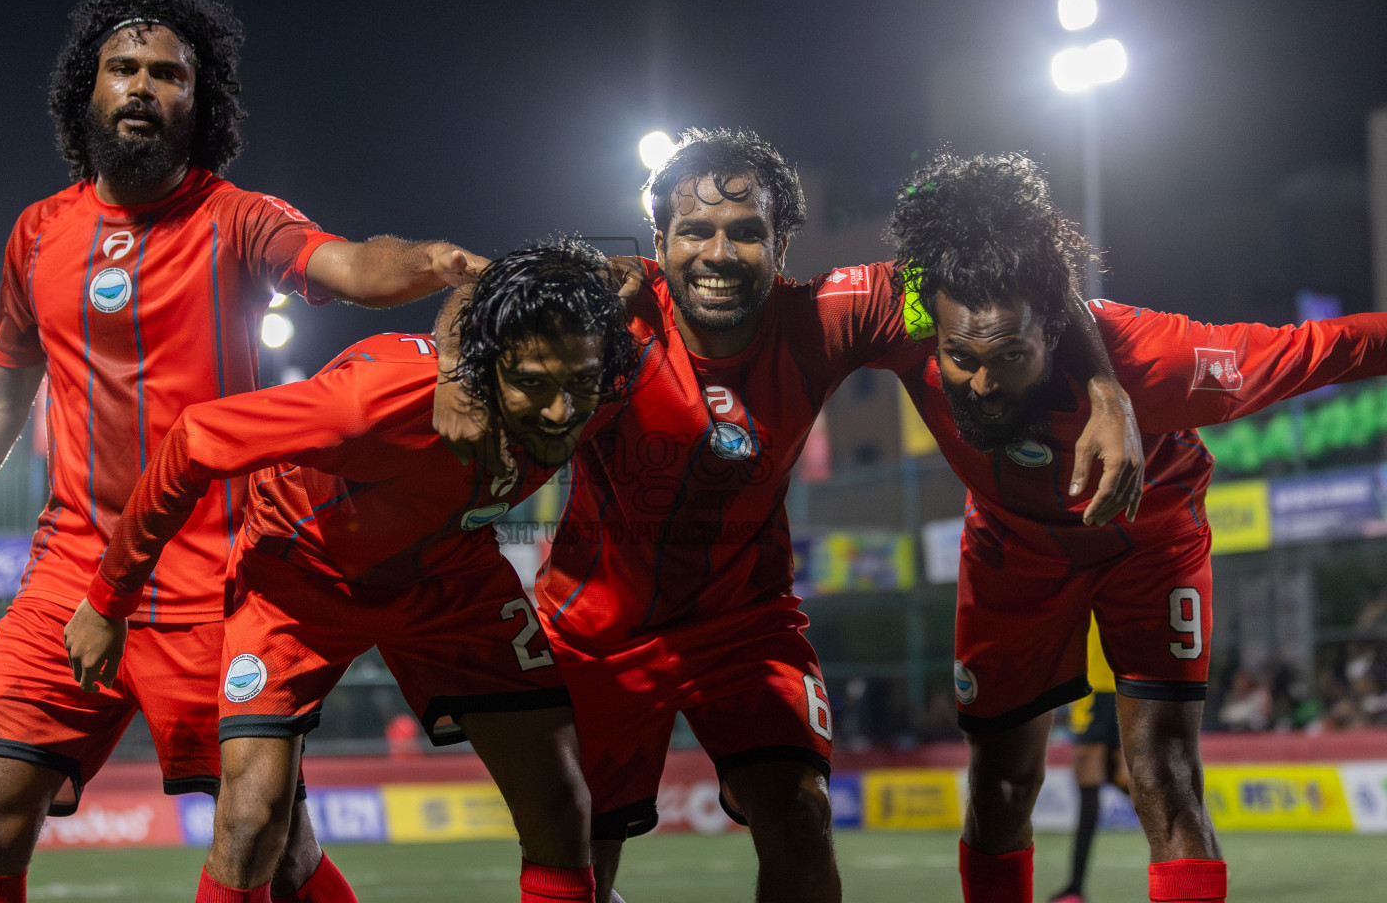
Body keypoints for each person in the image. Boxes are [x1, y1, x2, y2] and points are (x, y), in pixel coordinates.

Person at [0, 0, 481, 903]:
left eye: (171, 76)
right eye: (127, 68)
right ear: (89, 88)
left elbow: (353, 265)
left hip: (218, 574)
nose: (145, 88)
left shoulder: (237, 220)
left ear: (199, 104)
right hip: (72, 565)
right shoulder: (36, 234)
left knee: (272, 848)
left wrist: (440, 263)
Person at [437, 129, 1145, 903]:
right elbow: (481, 289)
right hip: (594, 634)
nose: (718, 252)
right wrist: (453, 377)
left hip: (747, 627)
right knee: (578, 857)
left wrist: (1108, 392)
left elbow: (1012, 279)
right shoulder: (611, 307)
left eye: (746, 232)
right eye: (694, 231)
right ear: (659, 243)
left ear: (782, 247)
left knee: (801, 816)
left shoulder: (830, 315)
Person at [65, 239, 636, 903]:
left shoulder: (591, 364)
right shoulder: (372, 404)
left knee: (563, 803)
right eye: (533, 384)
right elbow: (192, 441)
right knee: (252, 823)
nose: (560, 412)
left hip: (449, 576)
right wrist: (108, 600)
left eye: (580, 386)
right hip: (301, 579)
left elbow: (541, 279)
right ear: (489, 363)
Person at [886, 149, 1387, 903]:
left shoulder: (1156, 361)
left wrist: (1108, 385)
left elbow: (1315, 348)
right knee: (998, 785)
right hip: (1011, 551)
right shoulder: (891, 319)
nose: (983, 384)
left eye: (1012, 355)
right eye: (962, 357)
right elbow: (774, 311)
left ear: (1053, 329)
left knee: (1165, 773)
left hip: (1149, 543)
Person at [1048, 616, 1129, 903]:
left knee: (1092, 776)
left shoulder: (1082, 572)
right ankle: (1194, 847)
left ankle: (1075, 888)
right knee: (1120, 776)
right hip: (1120, 681)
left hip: (1097, 684)